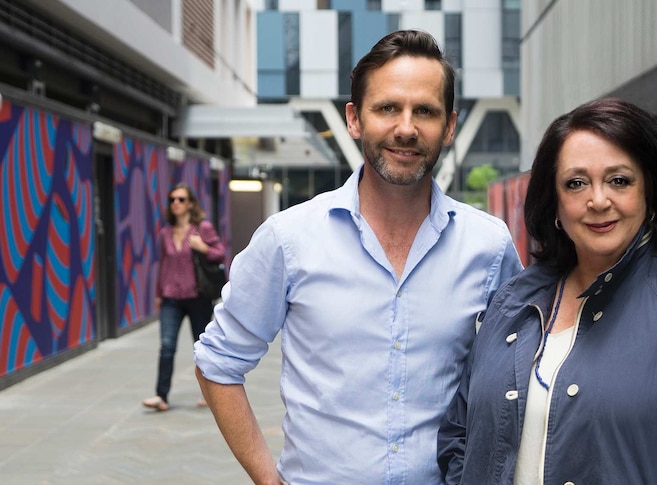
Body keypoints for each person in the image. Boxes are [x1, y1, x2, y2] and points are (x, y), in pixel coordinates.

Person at [193, 29, 523, 485]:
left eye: (424, 111)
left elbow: (520, 372)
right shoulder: (289, 239)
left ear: (449, 126)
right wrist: (268, 480)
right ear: (354, 119)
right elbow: (217, 363)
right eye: (387, 108)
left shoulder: (488, 246)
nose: (405, 128)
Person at [438, 98, 657, 484]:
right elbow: (459, 435)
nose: (598, 200)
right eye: (576, 183)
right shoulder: (513, 301)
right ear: (555, 204)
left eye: (619, 180)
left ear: (650, 193)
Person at [142, 183, 225, 412]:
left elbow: (220, 253)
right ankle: (161, 396)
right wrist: (159, 294)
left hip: (197, 296)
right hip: (171, 298)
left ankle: (211, 394)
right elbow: (163, 266)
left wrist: (203, 248)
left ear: (190, 203)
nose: (176, 203)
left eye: (180, 199)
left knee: (202, 346)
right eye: (172, 199)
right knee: (166, 346)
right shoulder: (165, 233)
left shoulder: (202, 229)